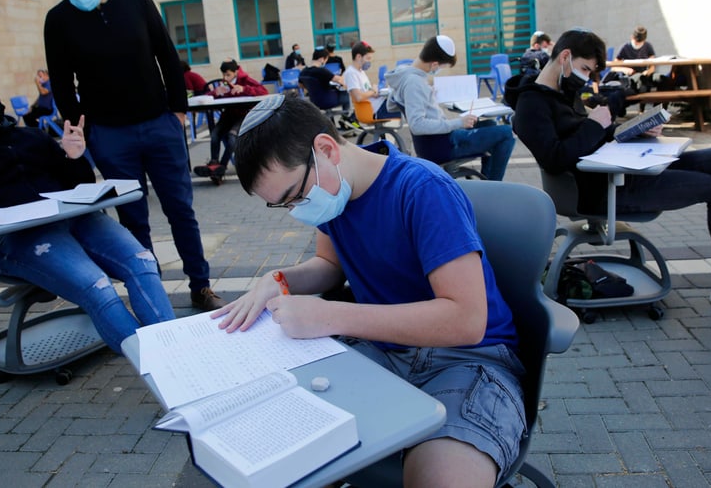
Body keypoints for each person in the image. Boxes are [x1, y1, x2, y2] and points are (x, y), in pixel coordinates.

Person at [213, 94, 527, 488]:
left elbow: (466, 321)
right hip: (383, 355)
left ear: (326, 149)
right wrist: (278, 280)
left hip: (468, 362)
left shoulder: (423, 189)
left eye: (295, 195)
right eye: (283, 205)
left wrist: (330, 317)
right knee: (271, 443)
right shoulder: (333, 194)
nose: (296, 210)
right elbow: (329, 266)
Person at [507, 28, 711, 315]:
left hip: (624, 169)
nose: (587, 77)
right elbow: (556, 157)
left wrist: (631, 129)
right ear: (564, 56)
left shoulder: (562, 95)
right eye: (584, 69)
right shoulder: (531, 105)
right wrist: (595, 125)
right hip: (605, 188)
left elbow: (589, 137)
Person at [0, 63, 176, 354]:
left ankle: (173, 349)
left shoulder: (30, 136)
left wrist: (73, 156)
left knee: (142, 261)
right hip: (19, 238)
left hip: (77, 219)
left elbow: (77, 182)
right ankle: (158, 365)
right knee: (97, 285)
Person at [44, 0, 222, 311]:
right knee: (132, 219)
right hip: (109, 134)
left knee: (180, 210)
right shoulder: (57, 20)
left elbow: (167, 55)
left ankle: (200, 285)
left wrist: (178, 111)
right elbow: (61, 83)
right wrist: (81, 128)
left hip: (160, 123)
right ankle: (151, 294)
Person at [386, 35, 515, 182]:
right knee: (506, 133)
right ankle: (494, 187)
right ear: (434, 64)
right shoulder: (414, 82)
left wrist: (426, 97)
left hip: (436, 140)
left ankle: (488, 181)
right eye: (442, 67)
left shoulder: (404, 72)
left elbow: (391, 104)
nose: (440, 70)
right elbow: (417, 125)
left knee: (490, 124)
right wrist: (458, 122)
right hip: (440, 145)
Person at [192, 59, 267, 183]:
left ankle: (221, 166)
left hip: (243, 115)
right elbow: (209, 96)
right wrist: (216, 92)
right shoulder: (224, 83)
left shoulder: (246, 80)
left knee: (232, 137)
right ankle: (214, 162)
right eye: (224, 75)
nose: (225, 77)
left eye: (228, 74)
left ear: (235, 72)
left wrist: (244, 89)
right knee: (215, 134)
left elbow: (263, 91)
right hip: (228, 115)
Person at [342, 40, 400, 119]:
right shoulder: (351, 73)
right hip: (376, 109)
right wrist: (373, 91)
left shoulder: (360, 71)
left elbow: (366, 92)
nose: (369, 62)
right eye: (368, 58)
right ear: (358, 56)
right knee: (407, 109)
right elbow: (358, 97)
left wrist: (374, 89)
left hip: (380, 105)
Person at [300, 47, 351, 114]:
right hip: (328, 101)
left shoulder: (303, 72)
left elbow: (300, 85)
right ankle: (346, 117)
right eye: (326, 59)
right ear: (322, 59)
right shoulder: (322, 71)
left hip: (314, 101)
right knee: (345, 94)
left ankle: (331, 118)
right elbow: (339, 80)